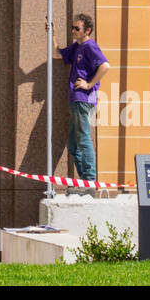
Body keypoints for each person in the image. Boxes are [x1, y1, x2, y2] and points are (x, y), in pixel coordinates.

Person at [52, 13, 110, 185]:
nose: (73, 31)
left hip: (82, 99)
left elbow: (105, 66)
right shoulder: (76, 47)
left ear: (87, 30)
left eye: (77, 28)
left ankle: (90, 180)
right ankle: (85, 179)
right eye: (72, 28)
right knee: (72, 145)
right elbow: (57, 54)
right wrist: (52, 34)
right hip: (76, 100)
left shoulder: (90, 46)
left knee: (83, 139)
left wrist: (89, 84)